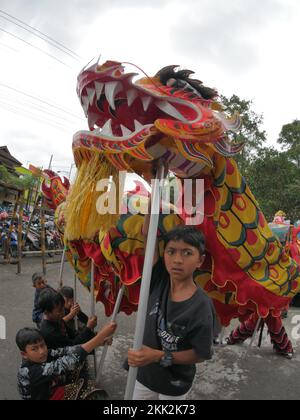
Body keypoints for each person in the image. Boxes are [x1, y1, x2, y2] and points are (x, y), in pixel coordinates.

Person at [127, 223, 216, 400]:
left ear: (200, 260)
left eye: (187, 253)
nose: (177, 260)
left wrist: (157, 356)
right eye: (171, 251)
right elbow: (148, 233)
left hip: (175, 384)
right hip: (144, 375)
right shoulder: (158, 278)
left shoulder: (202, 307)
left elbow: (200, 354)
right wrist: (155, 198)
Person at [16, 323, 117, 400]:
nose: (42, 351)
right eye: (34, 349)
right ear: (24, 354)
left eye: (42, 345)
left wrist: (100, 342)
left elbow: (67, 350)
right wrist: (100, 336)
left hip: (48, 389)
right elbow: (68, 362)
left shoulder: (41, 355)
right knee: (91, 392)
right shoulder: (30, 372)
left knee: (79, 365)